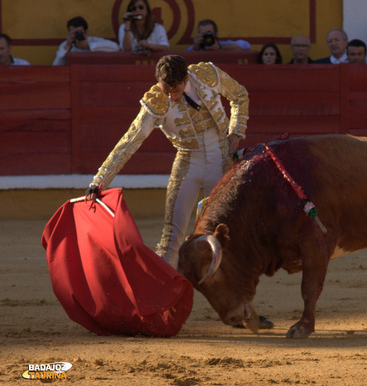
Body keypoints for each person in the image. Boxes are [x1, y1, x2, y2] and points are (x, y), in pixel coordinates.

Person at [85, 55, 249, 271]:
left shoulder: (207, 75)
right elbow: (130, 141)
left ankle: (239, 299)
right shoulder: (156, 101)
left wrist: (236, 132)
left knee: (225, 234)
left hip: (221, 160)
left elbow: (239, 95)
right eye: (166, 91)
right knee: (172, 237)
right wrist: (99, 180)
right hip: (188, 162)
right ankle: (162, 299)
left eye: (175, 91)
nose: (171, 97)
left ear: (185, 79)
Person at [52, 16, 120, 66]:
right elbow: (56, 65)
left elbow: (115, 47)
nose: (77, 35)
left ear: (86, 32)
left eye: (79, 32)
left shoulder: (93, 41)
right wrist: (68, 46)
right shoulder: (65, 45)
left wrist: (88, 46)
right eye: (73, 33)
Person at [186, 19, 251, 52]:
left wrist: (220, 48)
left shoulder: (222, 44)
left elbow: (246, 45)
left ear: (216, 34)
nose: (207, 37)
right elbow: (186, 57)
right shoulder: (194, 48)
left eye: (209, 33)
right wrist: (195, 48)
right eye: (203, 34)